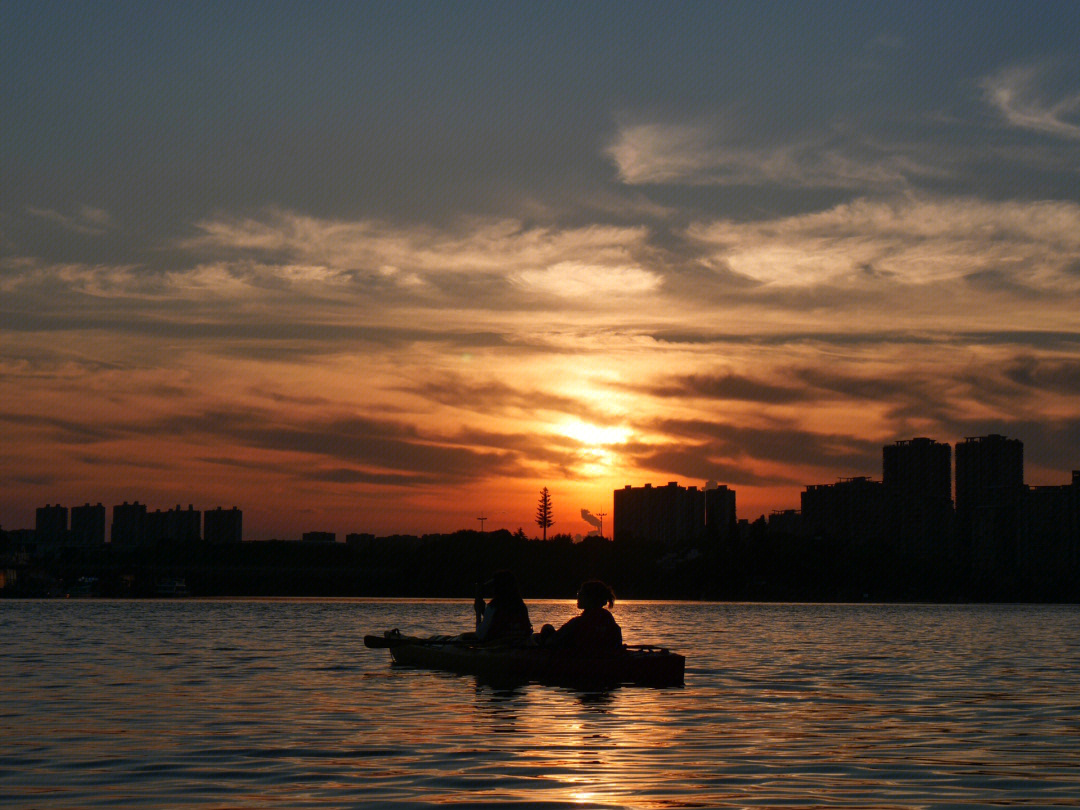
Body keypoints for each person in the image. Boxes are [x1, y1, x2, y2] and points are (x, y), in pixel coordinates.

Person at [547, 580, 623, 652]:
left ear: (590, 598)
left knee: (547, 629)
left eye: (580, 594)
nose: (578, 597)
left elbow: (552, 641)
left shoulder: (577, 623)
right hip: (604, 659)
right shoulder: (610, 622)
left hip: (581, 660)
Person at [473, 570, 533, 642]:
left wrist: (478, 612)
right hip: (520, 646)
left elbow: (480, 635)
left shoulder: (494, 607)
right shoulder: (521, 607)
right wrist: (484, 612)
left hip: (499, 648)